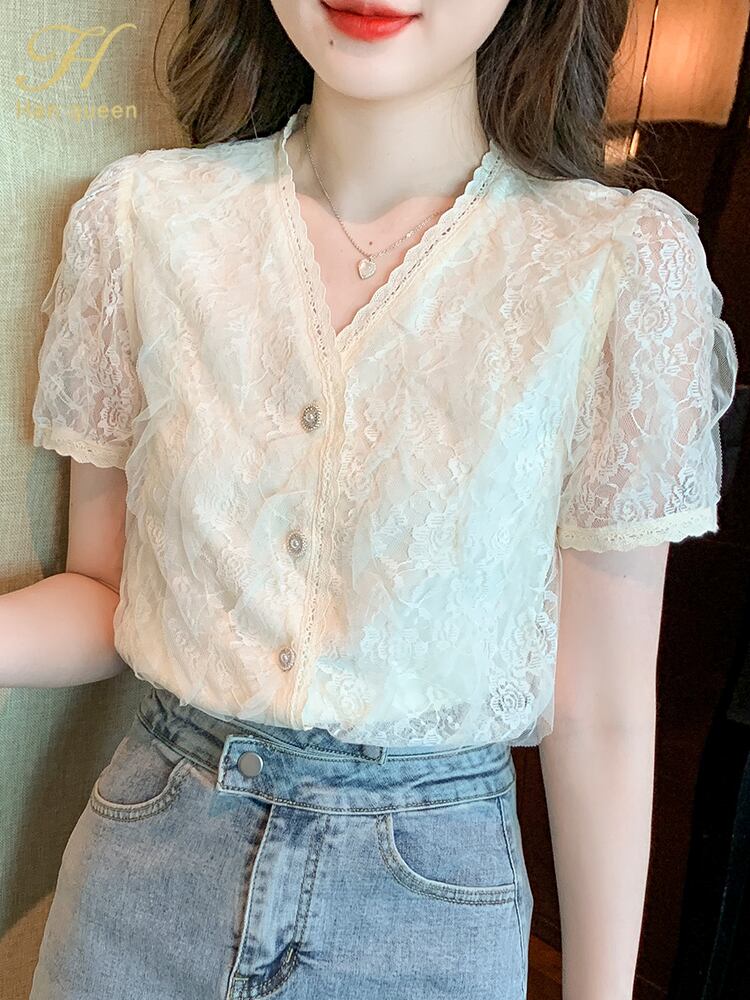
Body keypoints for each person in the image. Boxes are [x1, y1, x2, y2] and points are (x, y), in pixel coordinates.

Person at [4, 1, 738, 998]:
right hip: (145, 873)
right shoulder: (142, 219)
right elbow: (108, 592)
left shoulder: (616, 263)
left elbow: (600, 709)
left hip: (429, 909)